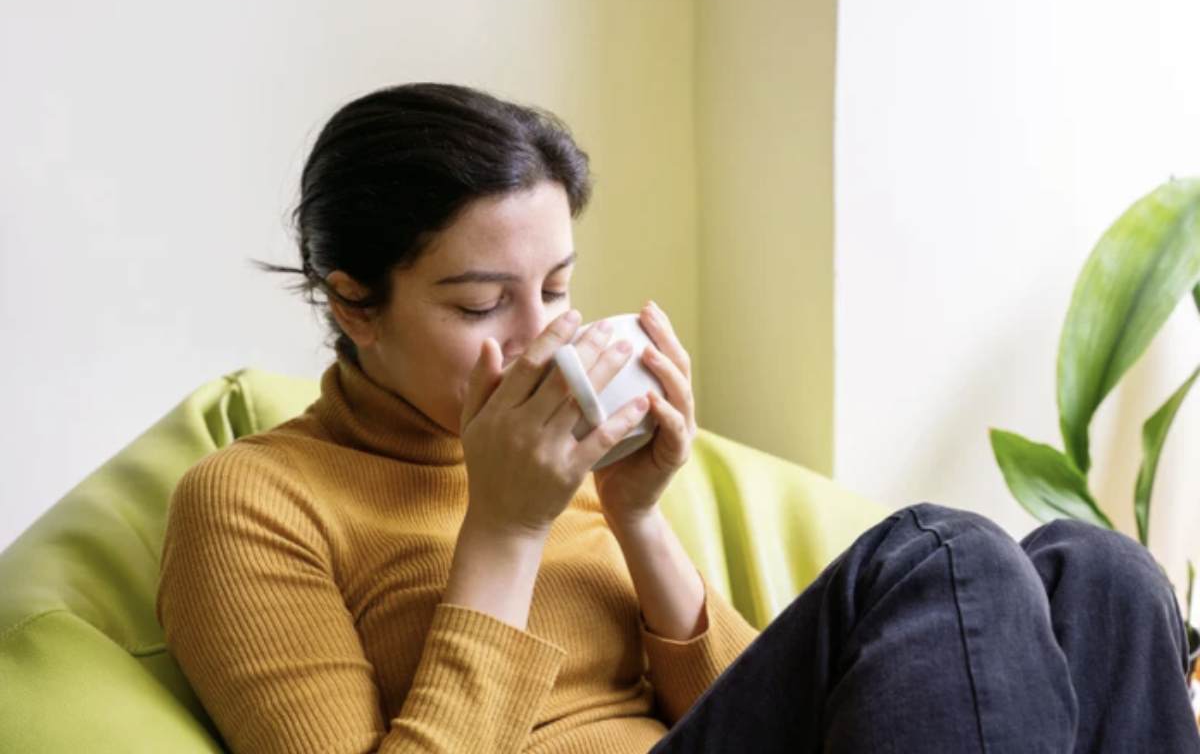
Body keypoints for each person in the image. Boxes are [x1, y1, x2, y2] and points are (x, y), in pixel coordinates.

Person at [156, 82, 1199, 754]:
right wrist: (506, 530)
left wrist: (639, 516)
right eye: (480, 304)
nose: (537, 338)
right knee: (942, 549)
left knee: (1100, 573)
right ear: (353, 304)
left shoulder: (562, 459)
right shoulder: (251, 502)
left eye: (556, 289)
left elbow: (777, 710)